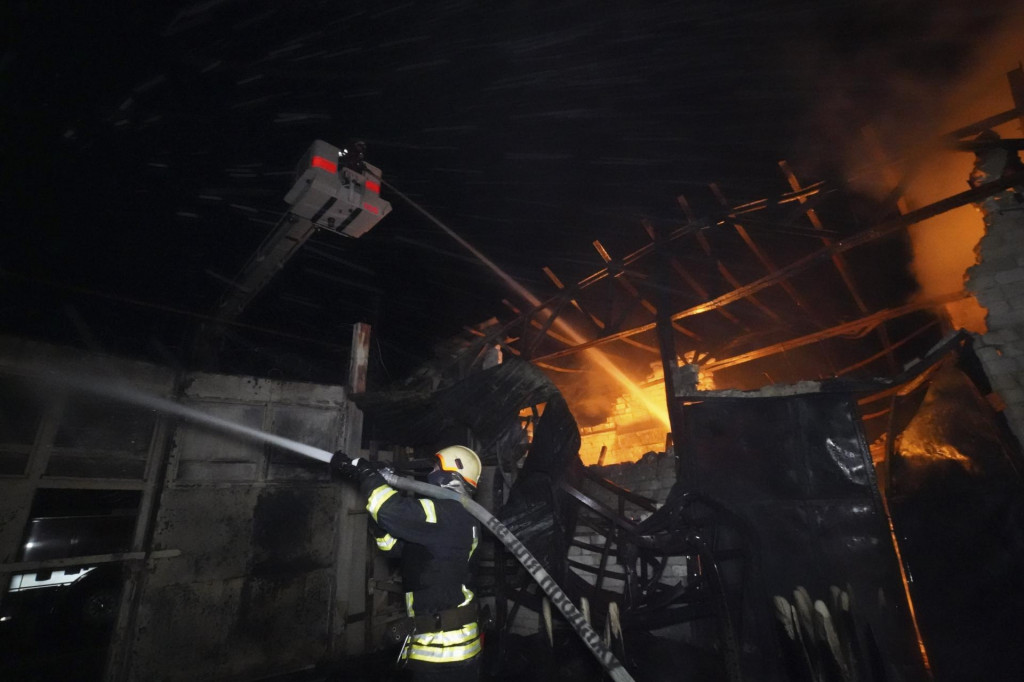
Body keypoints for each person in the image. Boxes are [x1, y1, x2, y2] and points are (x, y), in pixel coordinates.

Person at [332, 445, 483, 682]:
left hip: (446, 652)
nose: (431, 472)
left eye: (436, 467)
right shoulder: (448, 519)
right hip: (438, 645)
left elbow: (390, 510)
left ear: (451, 473)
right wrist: (379, 496)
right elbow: (392, 546)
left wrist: (366, 473)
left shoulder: (450, 514)